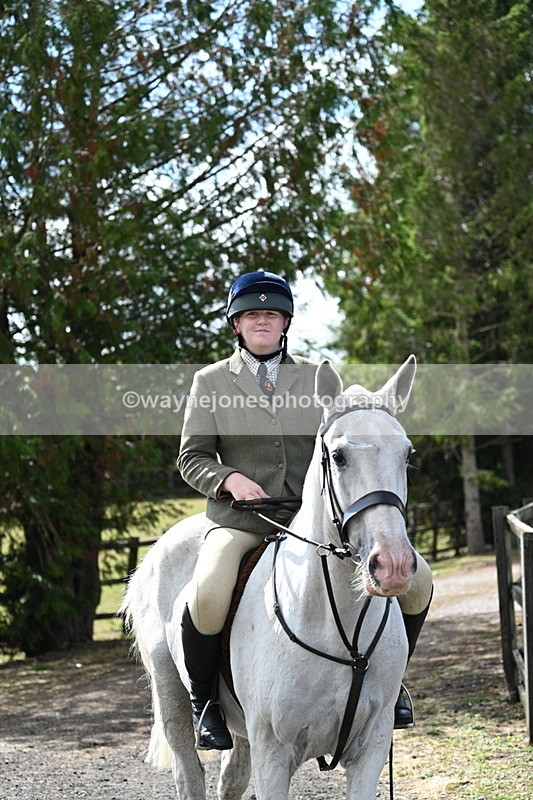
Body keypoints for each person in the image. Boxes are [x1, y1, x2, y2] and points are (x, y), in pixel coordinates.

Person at [178, 269, 433, 750]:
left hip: (313, 521)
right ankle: (206, 701)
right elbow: (190, 457)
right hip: (242, 521)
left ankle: (392, 680)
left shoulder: (317, 379)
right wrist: (229, 480)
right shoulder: (209, 381)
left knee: (418, 580)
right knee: (210, 589)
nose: (262, 322)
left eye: (270, 315)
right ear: (236, 324)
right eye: (252, 315)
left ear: (285, 323)